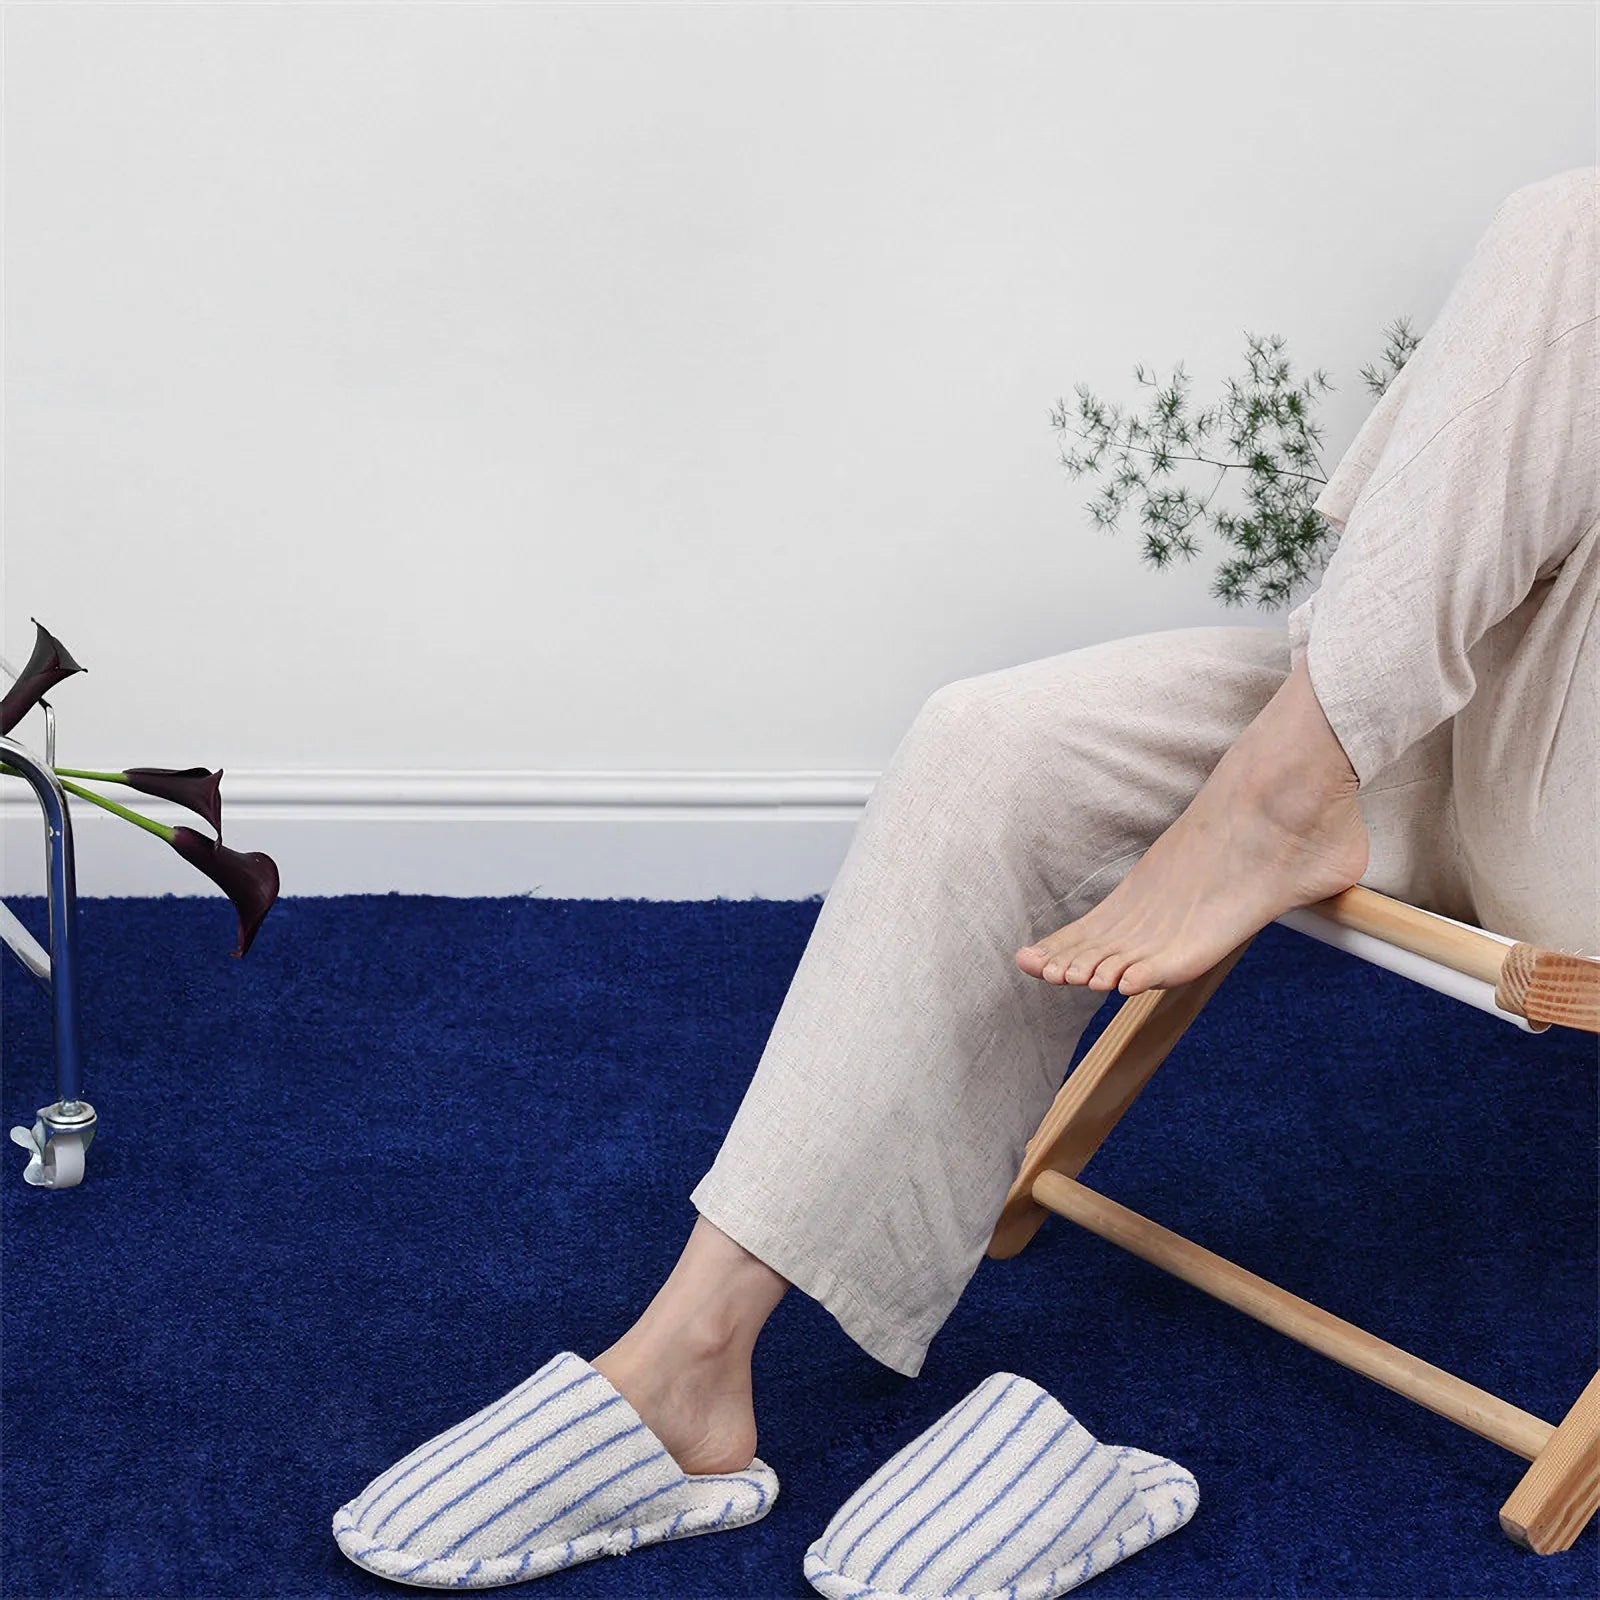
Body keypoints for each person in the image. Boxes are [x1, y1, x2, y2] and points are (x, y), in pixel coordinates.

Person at [586, 167, 1599, 1479]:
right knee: (992, 743)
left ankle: (1285, 790)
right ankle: (688, 1358)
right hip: (1497, 699)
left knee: (1582, 222)